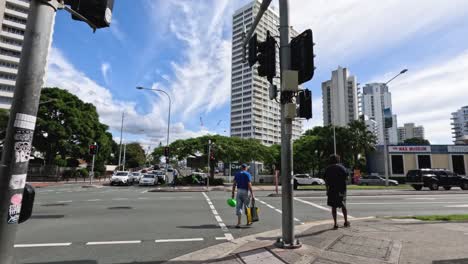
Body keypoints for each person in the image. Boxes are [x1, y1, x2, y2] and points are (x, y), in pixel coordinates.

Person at [324, 154, 350, 229]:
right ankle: (345, 221)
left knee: (333, 206)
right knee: (343, 205)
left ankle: (335, 223)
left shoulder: (328, 169)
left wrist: (327, 189)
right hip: (341, 189)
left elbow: (326, 180)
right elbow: (347, 178)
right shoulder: (342, 168)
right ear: (338, 160)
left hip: (332, 189)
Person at [231, 164, 255, 228]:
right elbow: (249, 184)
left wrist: (233, 193)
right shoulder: (247, 174)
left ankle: (239, 223)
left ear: (241, 168)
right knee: (247, 206)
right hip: (245, 191)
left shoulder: (237, 174)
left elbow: (234, 184)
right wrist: (252, 194)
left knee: (238, 207)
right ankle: (248, 222)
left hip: (238, 191)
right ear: (246, 168)